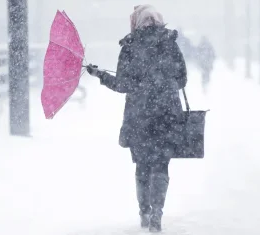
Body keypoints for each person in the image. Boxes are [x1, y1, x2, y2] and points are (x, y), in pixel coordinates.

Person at [86, 4, 187, 233]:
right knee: (161, 166)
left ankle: (145, 213)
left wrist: (100, 74)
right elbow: (182, 79)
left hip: (139, 116)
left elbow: (121, 85)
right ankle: (157, 216)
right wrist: (162, 85)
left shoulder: (131, 46)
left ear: (136, 22)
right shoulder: (170, 44)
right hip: (167, 115)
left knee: (142, 167)